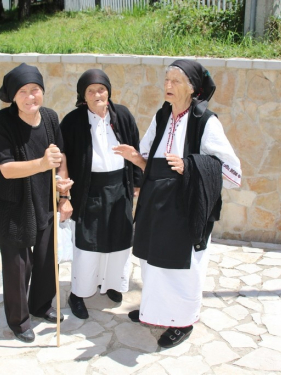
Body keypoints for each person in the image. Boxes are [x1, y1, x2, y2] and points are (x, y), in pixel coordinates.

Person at [113, 60, 241, 348]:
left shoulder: (206, 123)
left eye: (175, 82)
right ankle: (155, 311)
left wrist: (190, 166)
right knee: (153, 265)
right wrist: (135, 158)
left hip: (186, 210)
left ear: (193, 89)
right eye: (166, 80)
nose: (168, 86)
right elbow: (151, 164)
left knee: (182, 271)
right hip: (157, 207)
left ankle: (182, 322)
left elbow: (233, 174)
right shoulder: (162, 117)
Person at [0, 63, 73, 343]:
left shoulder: (49, 118)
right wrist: (41, 163)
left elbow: (60, 158)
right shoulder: (0, 123)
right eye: (23, 91)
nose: (30, 96)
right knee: (18, 263)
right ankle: (19, 320)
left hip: (43, 197)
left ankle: (40, 305)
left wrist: (63, 189)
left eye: (35, 90)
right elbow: (6, 168)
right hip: (10, 202)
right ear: (12, 96)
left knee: (47, 258)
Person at [59, 69, 142, 319]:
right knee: (88, 246)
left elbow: (135, 147)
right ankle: (78, 293)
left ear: (109, 91)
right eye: (91, 91)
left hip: (120, 188)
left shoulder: (122, 115)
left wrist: (136, 182)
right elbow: (63, 156)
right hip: (89, 189)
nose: (98, 94)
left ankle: (112, 285)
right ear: (83, 97)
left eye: (101, 89)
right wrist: (65, 195)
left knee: (118, 242)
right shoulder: (73, 121)